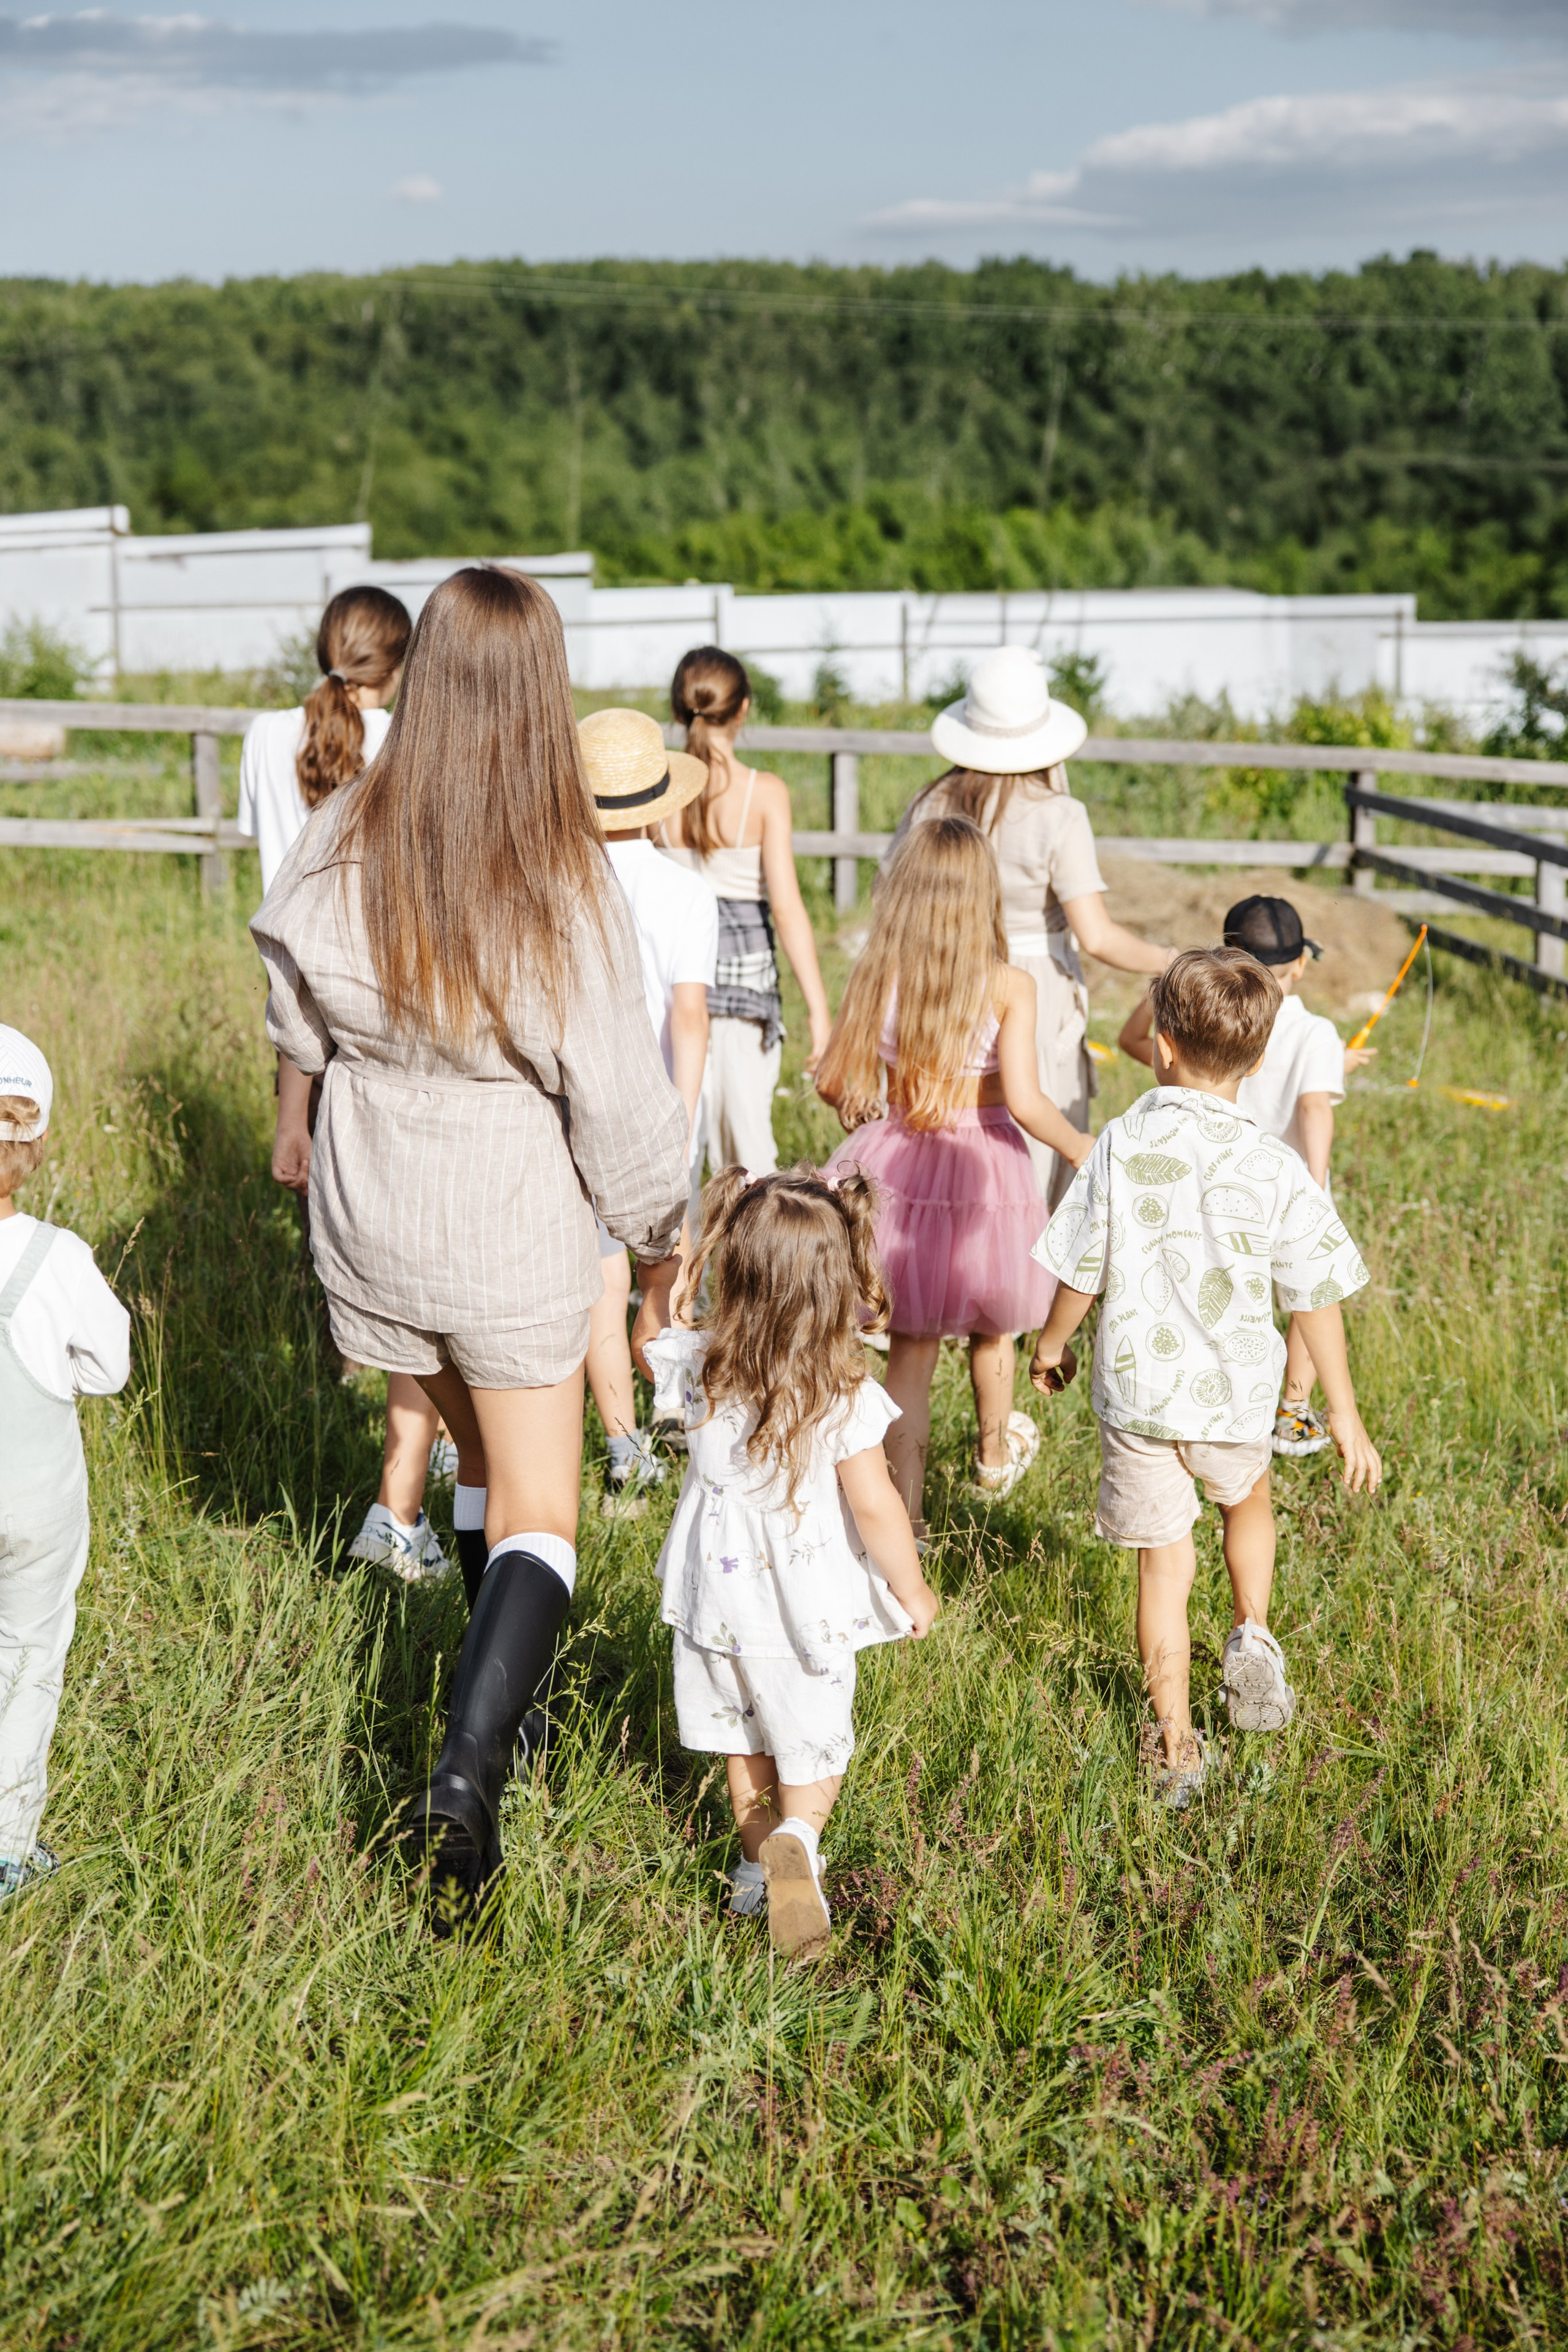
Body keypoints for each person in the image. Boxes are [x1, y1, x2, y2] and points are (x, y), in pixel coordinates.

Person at [252, 567, 690, 1921]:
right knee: (543, 1509)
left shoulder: (342, 831)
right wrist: (662, 1239)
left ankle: (515, 1702)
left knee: (483, 1463)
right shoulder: (560, 872)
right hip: (503, 1215)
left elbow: (294, 1016)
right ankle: (467, 1761)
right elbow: (617, 1096)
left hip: (371, 1205)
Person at [1030, 949, 1382, 1807]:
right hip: (1236, 1393)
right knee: (1247, 1502)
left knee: (1163, 1568)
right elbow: (1315, 1296)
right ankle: (1252, 1630)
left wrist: (1050, 1346)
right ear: (1258, 1063)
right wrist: (1343, 1413)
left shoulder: (1122, 1142)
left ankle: (1177, 1748)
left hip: (1140, 1396)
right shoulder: (1273, 1163)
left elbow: (1083, 1268)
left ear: (1161, 1044)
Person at [637, 1165, 939, 1959]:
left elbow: (648, 1342)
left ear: (735, 1271)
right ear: (834, 1287)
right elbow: (877, 1506)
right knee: (813, 1748)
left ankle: (752, 1868)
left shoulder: (697, 1367)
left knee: (744, 1743)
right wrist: (911, 1587)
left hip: (714, 1607)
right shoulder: (840, 1394)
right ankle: (798, 1840)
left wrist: (681, 1281)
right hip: (807, 1612)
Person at [238, 584, 453, 1581]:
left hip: (294, 977)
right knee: (396, 1181)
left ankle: (346, 1337)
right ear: (397, 662)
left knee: (316, 1165)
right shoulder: (409, 736)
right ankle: (402, 1377)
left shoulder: (263, 735)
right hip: (383, 977)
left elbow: (267, 854)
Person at [815, 817, 1092, 1535]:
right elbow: (1026, 1102)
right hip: (985, 1171)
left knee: (909, 1348)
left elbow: (833, 1080)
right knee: (992, 1331)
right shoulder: (1009, 985)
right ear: (982, 897)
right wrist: (1080, 1147)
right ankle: (993, 1460)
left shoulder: (877, 974)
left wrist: (862, 1108)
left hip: (897, 1163)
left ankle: (903, 1516)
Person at [896, 645, 1171, 1208]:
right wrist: (1174, 959)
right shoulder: (1058, 813)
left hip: (938, 973)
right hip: (1032, 984)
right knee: (1037, 1143)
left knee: (953, 1127)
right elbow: (1096, 936)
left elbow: (894, 901)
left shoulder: (930, 803)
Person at [1119, 893, 1374, 1461]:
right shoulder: (1315, 1032)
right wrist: (1316, 1183)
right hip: (1290, 1181)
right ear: (1302, 962)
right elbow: (1313, 1107)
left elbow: (1132, 1041)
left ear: (1225, 953)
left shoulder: (1207, 1019)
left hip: (1206, 1179)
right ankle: (1292, 1408)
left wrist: (1169, 986)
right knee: (1308, 1293)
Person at [0, 1025, 130, 1901]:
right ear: (36, 1142)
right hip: (33, 1505)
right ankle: (7, 1850)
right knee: (28, 1657)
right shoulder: (59, 1259)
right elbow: (109, 1369)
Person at [578, 707, 718, 1517]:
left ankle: (623, 1450)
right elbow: (690, 1017)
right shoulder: (685, 892)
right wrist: (684, 1122)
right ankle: (677, 1411)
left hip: (580, 1106)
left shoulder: (559, 882)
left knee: (603, 1281)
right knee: (667, 1277)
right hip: (658, 1104)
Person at [657, 647, 834, 1175]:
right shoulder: (765, 793)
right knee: (749, 1153)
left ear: (677, 709)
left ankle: (682, 1235)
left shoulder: (657, 793)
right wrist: (819, 1014)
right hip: (746, 990)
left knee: (677, 1147)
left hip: (673, 991)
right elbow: (787, 909)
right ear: (743, 710)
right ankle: (755, 1234)